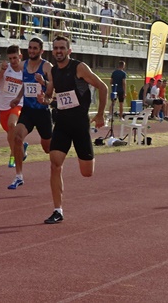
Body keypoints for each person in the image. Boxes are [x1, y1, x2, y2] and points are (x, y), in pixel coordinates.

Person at [41, 36, 108, 224]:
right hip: (61, 123)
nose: (58, 51)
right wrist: (45, 99)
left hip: (79, 124)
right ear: (52, 51)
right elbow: (50, 96)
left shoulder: (79, 67)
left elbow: (102, 87)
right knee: (55, 164)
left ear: (69, 51)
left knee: (87, 172)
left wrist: (100, 114)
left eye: (62, 48)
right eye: (55, 48)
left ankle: (87, 156)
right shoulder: (54, 71)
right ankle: (57, 210)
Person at [7, 38, 54, 190]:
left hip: (42, 111)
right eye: (30, 48)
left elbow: (53, 89)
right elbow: (25, 85)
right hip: (28, 110)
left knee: (47, 148)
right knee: (17, 136)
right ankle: (18, 176)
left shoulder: (47, 66)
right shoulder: (24, 65)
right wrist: (18, 98)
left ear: (41, 51)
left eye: (35, 48)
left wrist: (44, 83)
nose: (32, 51)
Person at [0, 45, 27, 168]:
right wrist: (1, 70)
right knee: (10, 134)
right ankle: (21, 146)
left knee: (12, 125)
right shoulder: (3, 68)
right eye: (10, 58)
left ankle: (13, 155)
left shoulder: (25, 69)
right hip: (3, 106)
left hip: (18, 104)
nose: (13, 61)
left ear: (20, 56)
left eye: (15, 58)